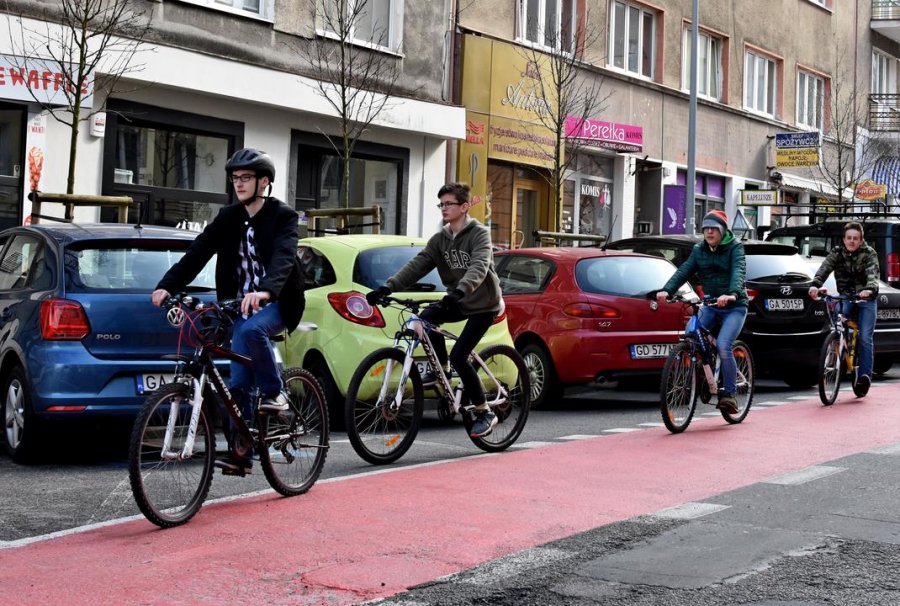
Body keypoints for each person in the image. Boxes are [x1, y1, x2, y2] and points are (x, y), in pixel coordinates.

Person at [151, 148, 305, 475]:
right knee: (238, 383)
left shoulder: (283, 216)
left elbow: (284, 257)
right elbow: (198, 252)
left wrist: (266, 290)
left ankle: (275, 394)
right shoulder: (228, 217)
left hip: (277, 302)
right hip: (239, 305)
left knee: (251, 332)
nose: (239, 183)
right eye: (235, 178)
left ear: (264, 181)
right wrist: (168, 285)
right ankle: (241, 453)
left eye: (246, 178)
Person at [366, 182, 504, 437]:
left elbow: (479, 266)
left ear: (464, 207)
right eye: (441, 204)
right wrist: (387, 288)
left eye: (449, 203)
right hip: (459, 300)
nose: (444, 208)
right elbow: (417, 265)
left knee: (461, 354)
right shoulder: (440, 239)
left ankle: (485, 411)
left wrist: (461, 290)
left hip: (483, 304)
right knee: (425, 319)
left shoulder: (479, 234)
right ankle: (443, 370)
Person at [656, 210, 749, 415]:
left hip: (734, 306)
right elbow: (684, 270)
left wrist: (732, 293)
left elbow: (738, 271)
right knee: (691, 336)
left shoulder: (735, 248)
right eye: (706, 228)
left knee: (724, 346)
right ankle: (701, 377)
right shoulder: (700, 250)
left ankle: (729, 394)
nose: (708, 232)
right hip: (711, 304)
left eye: (713, 228)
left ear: (722, 230)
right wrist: (667, 289)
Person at [807, 221, 880, 396]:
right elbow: (824, 269)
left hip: (866, 299)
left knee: (865, 338)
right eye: (849, 238)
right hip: (846, 296)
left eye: (856, 238)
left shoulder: (869, 253)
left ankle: (864, 376)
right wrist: (815, 285)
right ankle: (837, 346)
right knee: (836, 323)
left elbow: (872, 274)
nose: (852, 241)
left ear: (861, 240)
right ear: (844, 239)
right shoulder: (837, 253)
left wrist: (869, 290)